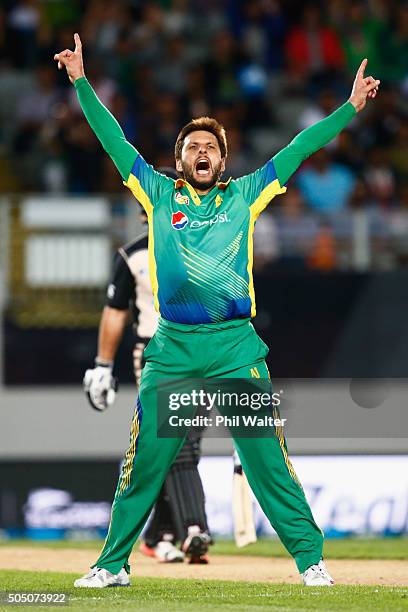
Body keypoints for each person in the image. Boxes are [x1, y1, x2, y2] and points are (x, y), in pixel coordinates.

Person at [54, 33, 379, 588]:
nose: (202, 151)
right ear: (179, 160)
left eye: (211, 146)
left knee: (266, 463)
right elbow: (112, 139)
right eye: (192, 146)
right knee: (144, 465)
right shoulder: (155, 191)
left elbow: (301, 148)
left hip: (234, 347)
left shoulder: (248, 193)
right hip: (173, 348)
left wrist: (349, 109)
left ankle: (310, 562)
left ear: (223, 161)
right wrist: (82, 82)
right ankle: (111, 565)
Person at [83, 199, 211, 564]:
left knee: (188, 444)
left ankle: (157, 534)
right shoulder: (133, 255)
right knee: (179, 438)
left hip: (200, 350)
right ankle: (193, 528)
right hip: (154, 353)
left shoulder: (206, 246)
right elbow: (115, 311)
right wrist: (103, 364)